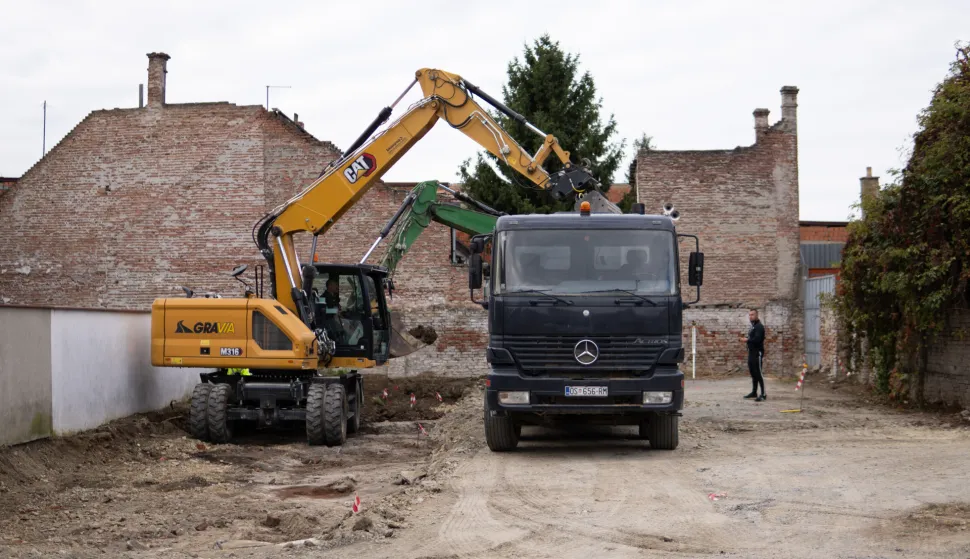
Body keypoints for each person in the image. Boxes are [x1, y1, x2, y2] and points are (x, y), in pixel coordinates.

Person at [742, 309, 766, 401]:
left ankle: (763, 394)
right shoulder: (753, 326)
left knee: (758, 373)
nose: (750, 316)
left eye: (752, 315)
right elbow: (752, 337)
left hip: (757, 353)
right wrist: (747, 338)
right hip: (751, 352)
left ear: (757, 315)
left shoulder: (759, 327)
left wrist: (747, 340)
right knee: (753, 373)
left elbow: (757, 339)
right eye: (749, 315)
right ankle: (754, 392)